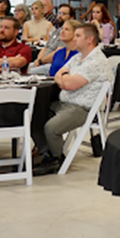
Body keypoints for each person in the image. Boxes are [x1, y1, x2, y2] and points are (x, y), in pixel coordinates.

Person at [36, 23, 112, 173]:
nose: (74, 39)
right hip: (65, 102)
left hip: (83, 107)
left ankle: (56, 158)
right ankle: (49, 153)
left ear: (89, 39)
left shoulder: (96, 61)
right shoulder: (78, 57)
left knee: (51, 128)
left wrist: (64, 80)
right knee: (35, 115)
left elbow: (69, 84)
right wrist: (65, 79)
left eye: (78, 36)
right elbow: (59, 73)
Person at [32, 4, 74, 70]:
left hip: (52, 63)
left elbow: (58, 53)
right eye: (59, 13)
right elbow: (45, 48)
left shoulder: (67, 33)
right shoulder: (56, 31)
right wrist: (38, 60)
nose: (59, 16)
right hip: (42, 62)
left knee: (31, 71)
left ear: (71, 17)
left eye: (63, 14)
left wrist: (41, 61)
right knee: (28, 66)